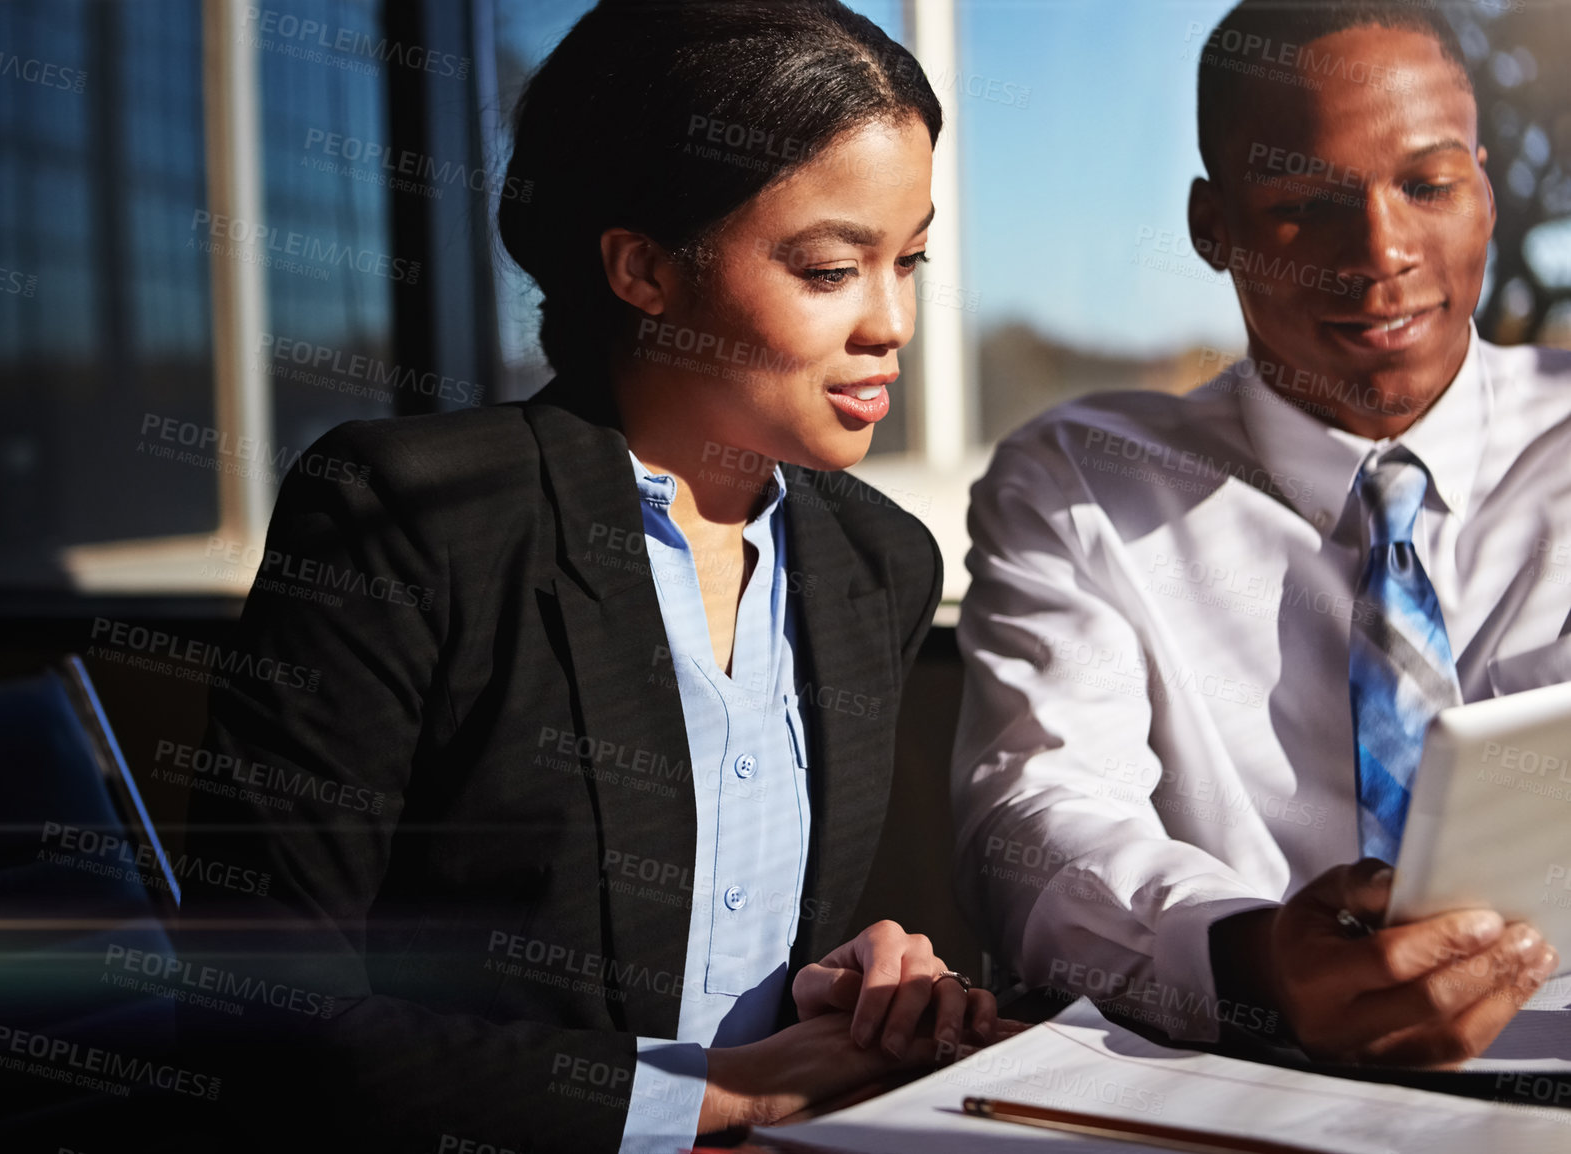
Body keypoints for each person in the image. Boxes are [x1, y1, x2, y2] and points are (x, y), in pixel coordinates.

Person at [178, 2, 998, 1151]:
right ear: (643, 268)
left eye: (906, 260)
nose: (892, 321)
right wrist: (719, 1090)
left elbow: (664, 942)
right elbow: (257, 1009)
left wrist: (831, 982)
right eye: (828, 268)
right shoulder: (411, 517)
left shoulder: (878, 560)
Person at [953, 0, 1567, 1069]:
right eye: (1301, 203)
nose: (1379, 252)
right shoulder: (1078, 484)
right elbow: (1036, 813)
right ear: (1210, 225)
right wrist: (1254, 964)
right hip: (1248, 1073)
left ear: (1482, 188)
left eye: (1427, 185)